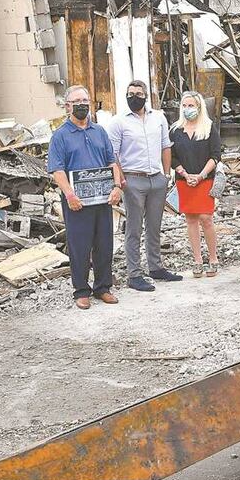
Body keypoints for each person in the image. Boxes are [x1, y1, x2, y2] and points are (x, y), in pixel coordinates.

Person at [48, 85, 123, 310]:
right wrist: (69, 194)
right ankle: (81, 291)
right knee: (79, 245)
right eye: (77, 101)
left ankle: (103, 287)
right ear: (68, 106)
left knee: (104, 243)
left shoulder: (99, 131)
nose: (82, 104)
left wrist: (117, 186)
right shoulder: (60, 136)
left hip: (102, 199)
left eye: (85, 100)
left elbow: (112, 161)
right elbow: (57, 170)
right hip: (76, 201)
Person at [107, 80, 183, 291]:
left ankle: (156, 267)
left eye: (138, 93)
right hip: (132, 180)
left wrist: (166, 175)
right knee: (133, 228)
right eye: (130, 93)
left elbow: (166, 146)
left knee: (154, 226)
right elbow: (112, 155)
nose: (134, 97)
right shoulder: (118, 122)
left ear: (146, 96)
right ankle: (134, 274)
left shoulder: (158, 117)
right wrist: (121, 181)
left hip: (156, 178)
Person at [170, 91, 222, 277]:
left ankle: (213, 258)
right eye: (184, 106)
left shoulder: (208, 128)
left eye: (191, 106)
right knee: (191, 219)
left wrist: (200, 175)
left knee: (206, 218)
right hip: (184, 180)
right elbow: (171, 157)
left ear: (199, 107)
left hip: (204, 179)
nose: (187, 109)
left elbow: (215, 155)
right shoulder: (175, 130)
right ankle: (198, 260)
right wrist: (183, 173)